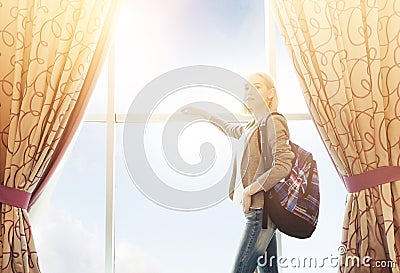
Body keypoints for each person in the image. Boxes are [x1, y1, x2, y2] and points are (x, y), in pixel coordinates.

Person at [182, 72, 294, 273]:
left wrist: (251, 189)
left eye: (257, 87)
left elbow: (284, 164)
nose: (249, 91)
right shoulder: (251, 126)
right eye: (246, 88)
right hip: (260, 214)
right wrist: (200, 112)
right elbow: (227, 127)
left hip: (262, 213)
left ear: (270, 94)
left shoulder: (273, 122)